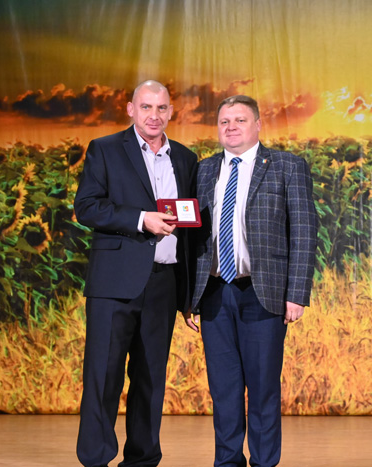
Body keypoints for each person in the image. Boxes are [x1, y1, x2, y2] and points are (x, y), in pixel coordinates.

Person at [185, 95, 318, 467]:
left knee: (262, 390)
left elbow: (305, 232)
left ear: (258, 125)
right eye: (224, 121)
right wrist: (189, 296)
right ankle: (227, 462)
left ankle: (264, 462)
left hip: (264, 294)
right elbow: (192, 238)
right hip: (214, 293)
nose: (231, 127)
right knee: (223, 391)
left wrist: (297, 294)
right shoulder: (203, 170)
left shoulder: (287, 166)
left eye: (240, 120)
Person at [74, 80, 197, 467]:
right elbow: (87, 207)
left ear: (171, 112)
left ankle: (142, 460)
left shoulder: (186, 158)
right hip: (114, 283)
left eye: (161, 108)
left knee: (150, 378)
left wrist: (189, 294)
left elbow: (190, 229)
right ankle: (96, 458)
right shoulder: (105, 149)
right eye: (146, 107)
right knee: (104, 376)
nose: (153, 115)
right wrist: (142, 219)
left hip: (164, 283)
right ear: (130, 109)